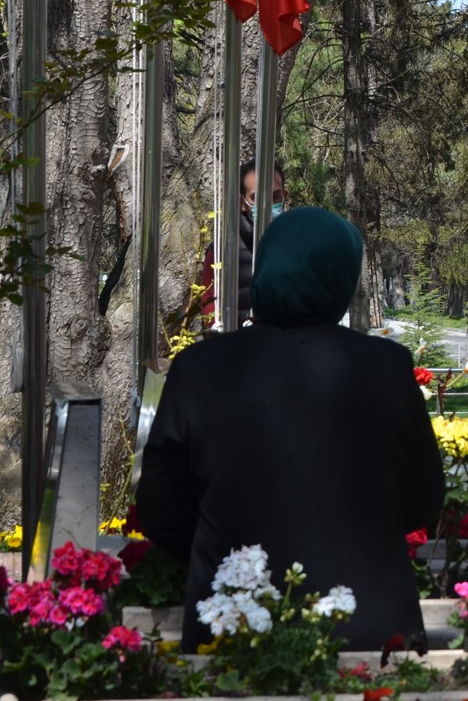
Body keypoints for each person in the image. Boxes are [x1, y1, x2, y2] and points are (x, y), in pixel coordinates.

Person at [139, 207, 445, 651]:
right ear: (342, 276)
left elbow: (161, 508)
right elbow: (423, 499)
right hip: (370, 629)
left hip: (234, 623)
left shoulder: (200, 369)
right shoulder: (386, 367)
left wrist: (225, 550)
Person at [198, 159, 288, 326]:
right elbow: (209, 307)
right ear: (242, 203)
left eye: (275, 196)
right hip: (237, 347)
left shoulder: (299, 244)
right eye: (257, 197)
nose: (267, 204)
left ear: (285, 196)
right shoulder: (222, 250)